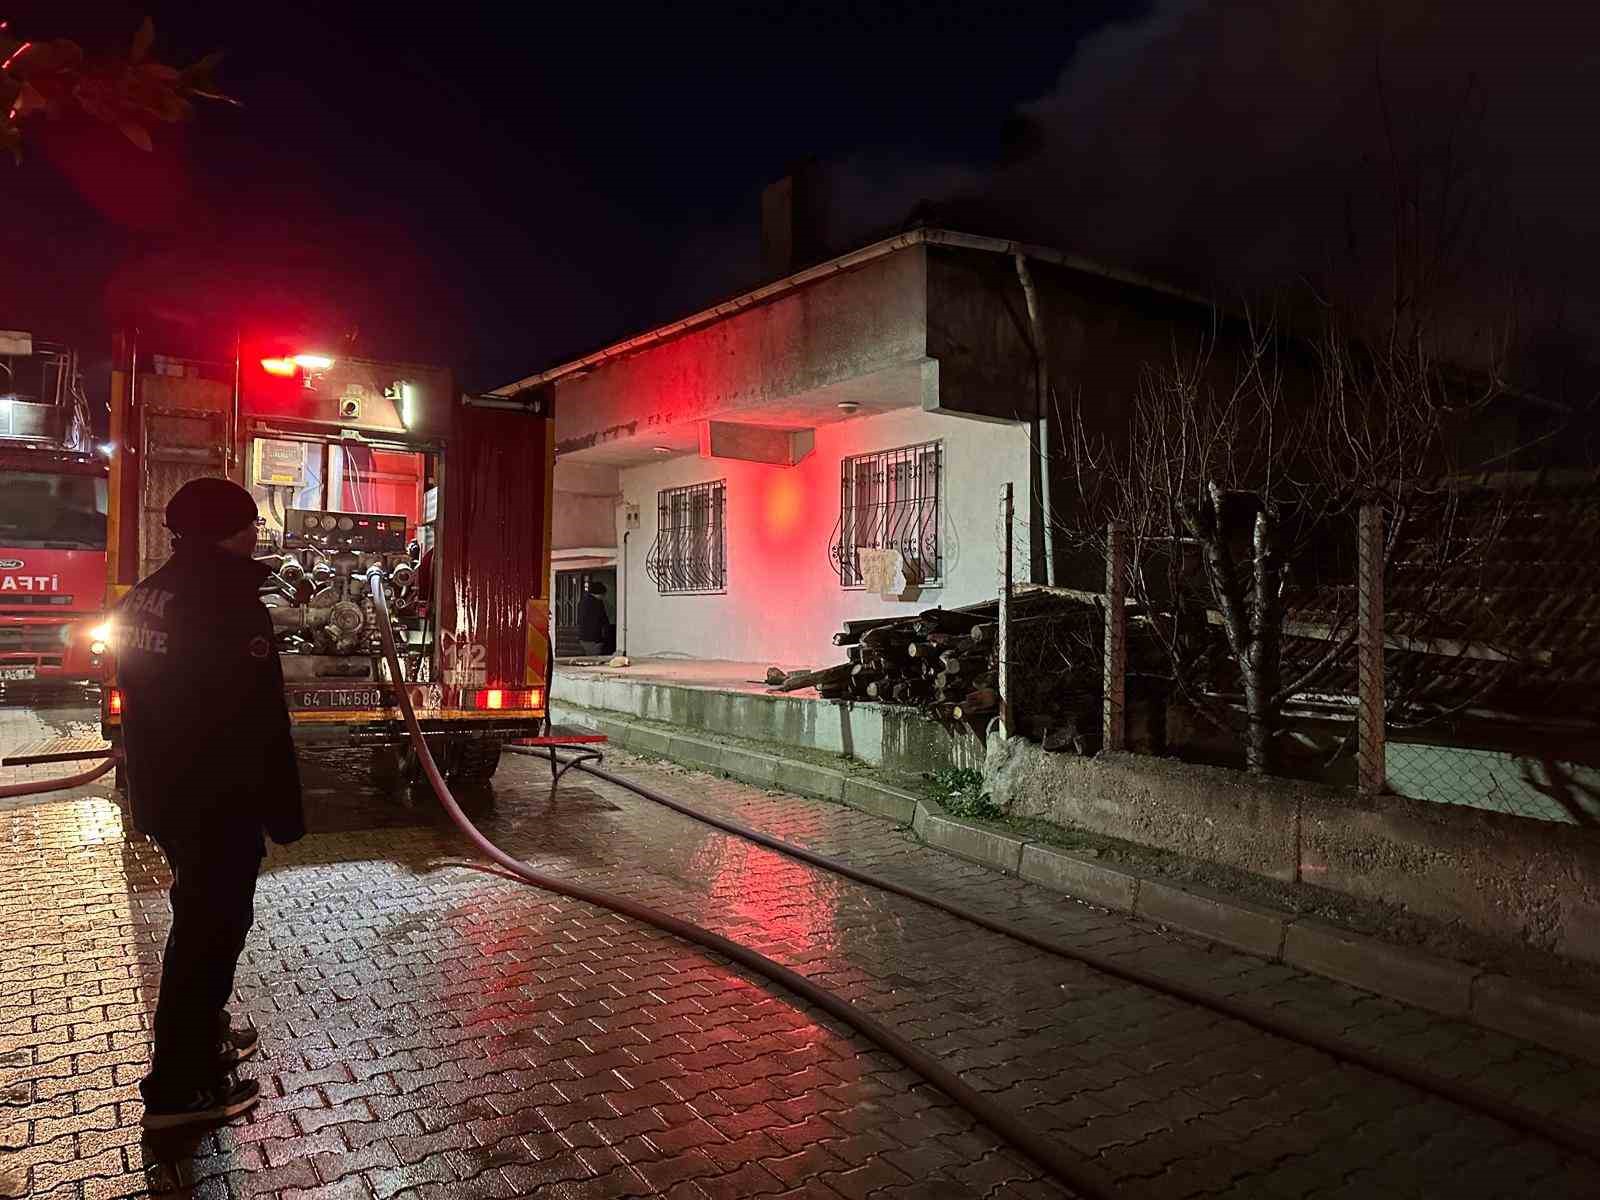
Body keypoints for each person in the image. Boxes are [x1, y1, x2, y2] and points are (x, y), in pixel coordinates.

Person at [115, 478, 305, 1131]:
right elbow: (259, 722)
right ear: (233, 531)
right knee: (210, 933)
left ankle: (206, 1037)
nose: (257, 534)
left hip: (168, 794)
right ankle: (178, 1088)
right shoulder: (227, 604)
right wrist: (284, 813)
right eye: (250, 523)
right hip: (216, 800)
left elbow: (136, 700)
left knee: (197, 915)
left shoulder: (150, 594)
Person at [576, 579, 609, 657]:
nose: (604, 597)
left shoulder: (582, 601)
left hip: (583, 637)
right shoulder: (597, 603)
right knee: (594, 659)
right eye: (603, 594)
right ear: (600, 593)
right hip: (594, 639)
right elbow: (602, 620)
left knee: (588, 658)